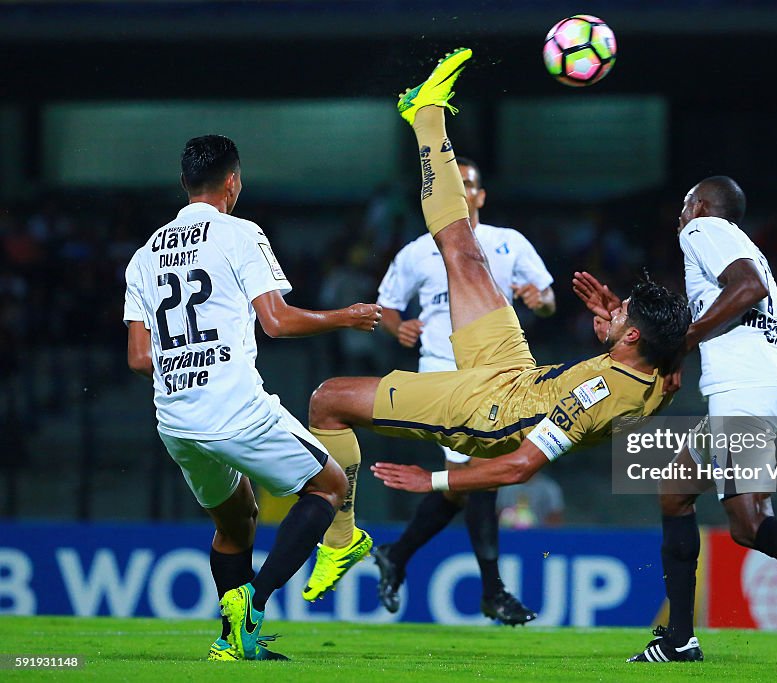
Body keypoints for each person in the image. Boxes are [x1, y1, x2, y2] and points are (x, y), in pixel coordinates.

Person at [301, 50, 689, 616]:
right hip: (518, 370)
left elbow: (518, 467)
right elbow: (669, 359)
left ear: (633, 341)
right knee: (464, 250)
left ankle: (341, 539)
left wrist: (431, 479)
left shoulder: (597, 397)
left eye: (623, 316)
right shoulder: (661, 373)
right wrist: (616, 332)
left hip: (487, 412)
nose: (614, 312)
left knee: (327, 399)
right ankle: (426, 114)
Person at [573, 176, 777, 668]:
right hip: (763, 383)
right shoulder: (730, 247)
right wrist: (628, 327)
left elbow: (745, 290)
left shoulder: (703, 231)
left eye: (686, 205)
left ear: (704, 206)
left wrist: (684, 343)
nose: (680, 216)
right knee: (675, 490)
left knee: (750, 525)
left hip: (746, 389)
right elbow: (715, 309)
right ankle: (679, 641)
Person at [122, 135, 381, 661]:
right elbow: (278, 321)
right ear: (232, 182)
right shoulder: (240, 233)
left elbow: (137, 357)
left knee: (237, 520)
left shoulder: (144, 254)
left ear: (184, 184)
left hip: (175, 417)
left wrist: (188, 351)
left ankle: (231, 642)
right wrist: (345, 317)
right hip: (232, 405)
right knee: (330, 485)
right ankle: (253, 604)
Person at [318, 157, 555, 624]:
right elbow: (386, 307)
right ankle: (493, 591)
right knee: (480, 474)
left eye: (468, 184)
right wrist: (397, 327)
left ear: (481, 195)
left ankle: (398, 554)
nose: (461, 192)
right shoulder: (415, 251)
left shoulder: (509, 244)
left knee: (465, 485)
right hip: (442, 373)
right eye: (453, 184)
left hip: (500, 375)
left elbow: (546, 298)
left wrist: (538, 301)